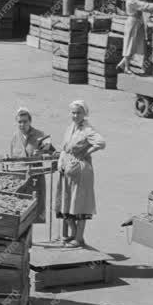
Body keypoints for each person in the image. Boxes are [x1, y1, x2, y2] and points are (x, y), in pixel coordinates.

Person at [55, 100, 106, 247]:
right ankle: (74, 234)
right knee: (67, 203)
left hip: (82, 172)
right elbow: (64, 148)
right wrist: (60, 162)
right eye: (73, 112)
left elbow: (101, 143)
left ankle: (78, 238)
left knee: (79, 205)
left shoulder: (87, 130)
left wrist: (87, 152)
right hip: (67, 170)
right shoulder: (71, 127)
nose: (75, 115)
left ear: (84, 114)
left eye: (78, 112)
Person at [10, 106, 55, 224]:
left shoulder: (40, 135)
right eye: (19, 122)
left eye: (25, 121)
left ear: (30, 121)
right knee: (18, 209)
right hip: (19, 179)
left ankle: (30, 237)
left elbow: (52, 152)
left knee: (34, 208)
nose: (22, 124)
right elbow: (12, 158)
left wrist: (43, 152)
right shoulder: (15, 137)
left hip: (35, 178)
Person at [117, 0, 153, 74]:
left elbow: (144, 5)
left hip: (138, 22)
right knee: (130, 44)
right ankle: (126, 68)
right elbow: (143, 5)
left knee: (135, 45)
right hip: (133, 23)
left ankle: (122, 64)